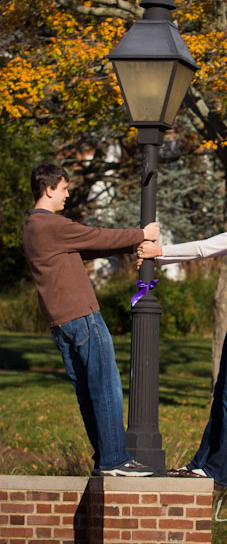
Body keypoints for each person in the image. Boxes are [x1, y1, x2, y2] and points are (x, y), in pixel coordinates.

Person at [137, 170, 227, 489]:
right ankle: (200, 464)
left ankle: (217, 471)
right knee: (223, 394)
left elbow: (207, 248)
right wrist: (157, 261)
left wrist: (159, 253)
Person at [23, 163, 160, 477]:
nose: (68, 195)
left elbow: (84, 247)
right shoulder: (51, 224)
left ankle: (106, 456)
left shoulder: (32, 227)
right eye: (64, 189)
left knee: (87, 390)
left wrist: (132, 246)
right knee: (105, 384)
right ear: (49, 189)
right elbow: (95, 236)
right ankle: (114, 459)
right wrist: (143, 234)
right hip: (82, 316)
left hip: (59, 322)